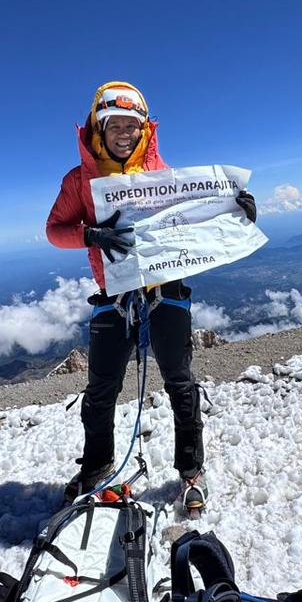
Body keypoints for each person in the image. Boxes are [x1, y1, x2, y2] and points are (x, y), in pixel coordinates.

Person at [45, 80, 256, 515]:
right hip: (115, 293)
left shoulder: (162, 172)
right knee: (101, 389)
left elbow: (195, 213)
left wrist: (235, 207)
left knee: (179, 381)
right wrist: (89, 234)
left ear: (144, 129)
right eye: (113, 124)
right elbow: (55, 230)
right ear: (97, 128)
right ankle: (97, 467)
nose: (123, 133)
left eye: (131, 124)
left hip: (166, 288)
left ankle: (191, 471)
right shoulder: (79, 180)